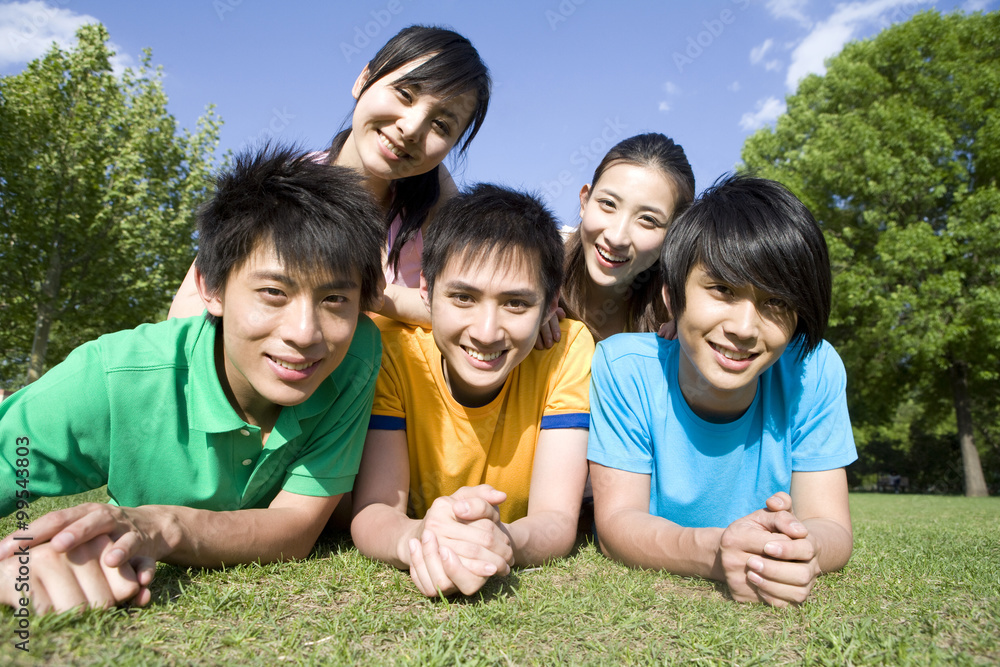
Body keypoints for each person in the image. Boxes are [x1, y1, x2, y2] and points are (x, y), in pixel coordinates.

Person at [0, 145, 385, 614]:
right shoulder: (111, 378)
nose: (305, 334)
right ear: (211, 288)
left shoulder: (355, 353)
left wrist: (160, 526)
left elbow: (296, 525)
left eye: (334, 300)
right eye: (273, 292)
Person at [587, 173, 857, 607]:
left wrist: (796, 553)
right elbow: (618, 523)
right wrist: (716, 552)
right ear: (672, 297)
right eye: (722, 290)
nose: (744, 329)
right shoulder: (623, 368)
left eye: (777, 302)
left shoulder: (814, 368)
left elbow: (831, 525)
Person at [350, 184, 594, 598]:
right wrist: (421, 536)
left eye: (516, 304)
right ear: (425, 290)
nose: (485, 331)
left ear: (552, 303)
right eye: (463, 297)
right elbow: (375, 510)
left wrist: (501, 541)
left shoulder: (566, 350)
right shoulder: (391, 349)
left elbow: (555, 518)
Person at [168, 25, 491, 325]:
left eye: (441, 125)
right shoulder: (280, 188)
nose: (411, 128)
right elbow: (191, 307)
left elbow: (484, 302)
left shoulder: (432, 206)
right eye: (405, 94)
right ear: (363, 79)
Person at [538, 133, 695, 348]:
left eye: (648, 220)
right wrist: (520, 310)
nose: (617, 237)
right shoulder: (534, 276)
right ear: (585, 201)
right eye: (608, 204)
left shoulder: (679, 317)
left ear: (676, 234)